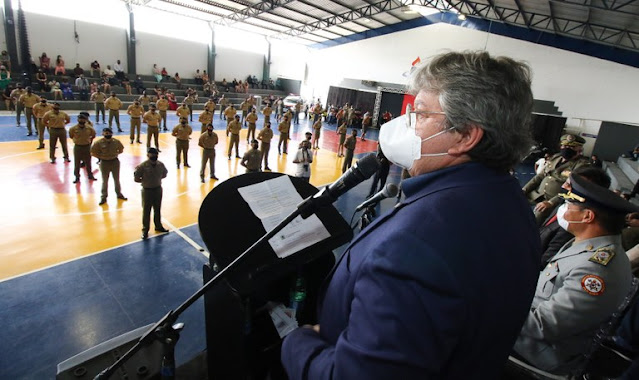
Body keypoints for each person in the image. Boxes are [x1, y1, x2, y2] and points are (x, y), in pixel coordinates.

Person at [281, 51, 541, 379]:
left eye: (418, 113)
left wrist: (297, 342)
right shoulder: (506, 201)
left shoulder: (419, 243)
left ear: (465, 136)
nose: (404, 124)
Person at [513, 173, 638, 375]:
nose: (564, 209)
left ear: (587, 216)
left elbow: (543, 326)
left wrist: (492, 307)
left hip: (538, 351)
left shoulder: (597, 269)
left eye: (570, 206)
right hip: (528, 324)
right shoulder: (586, 245)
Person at [538, 166, 613, 269]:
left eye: (570, 185)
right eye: (566, 182)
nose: (564, 186)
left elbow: (546, 261)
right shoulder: (565, 203)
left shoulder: (574, 223)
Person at [523, 133, 591, 224]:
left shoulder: (581, 165)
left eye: (572, 147)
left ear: (579, 149)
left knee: (534, 219)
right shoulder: (556, 157)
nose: (567, 149)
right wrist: (524, 189)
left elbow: (572, 189)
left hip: (554, 201)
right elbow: (540, 176)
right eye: (564, 146)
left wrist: (551, 202)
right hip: (537, 195)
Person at [134, 147, 169, 240]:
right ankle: (145, 230)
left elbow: (164, 174)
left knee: (157, 209)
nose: (154, 156)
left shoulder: (161, 165)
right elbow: (136, 178)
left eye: (155, 154)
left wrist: (155, 180)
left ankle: (158, 226)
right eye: (152, 154)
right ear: (148, 155)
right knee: (146, 211)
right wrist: (146, 181)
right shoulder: (142, 166)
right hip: (147, 190)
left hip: (157, 189)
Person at [91, 127, 127, 205]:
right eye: (106, 133)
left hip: (114, 161)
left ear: (111, 133)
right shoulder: (98, 143)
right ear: (102, 134)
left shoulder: (116, 142)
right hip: (104, 163)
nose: (107, 134)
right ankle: (103, 197)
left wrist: (114, 154)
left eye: (109, 133)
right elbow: (93, 152)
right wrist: (101, 157)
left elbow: (121, 149)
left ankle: (119, 194)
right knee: (105, 181)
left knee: (116, 179)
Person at [68, 114, 97, 183]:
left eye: (83, 119)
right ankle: (77, 177)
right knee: (77, 163)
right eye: (80, 119)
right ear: (78, 120)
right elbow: (71, 136)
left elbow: (93, 135)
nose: (82, 120)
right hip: (78, 146)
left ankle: (90, 175)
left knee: (88, 162)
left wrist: (87, 141)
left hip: (87, 146)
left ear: (85, 120)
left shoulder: (89, 128)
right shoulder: (73, 128)